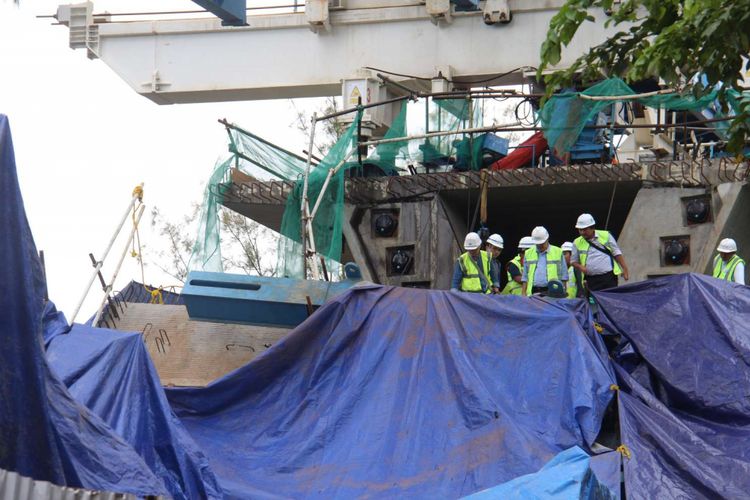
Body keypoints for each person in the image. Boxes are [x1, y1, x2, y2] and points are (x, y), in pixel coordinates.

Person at [571, 213, 629, 292]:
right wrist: (581, 267)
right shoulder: (577, 242)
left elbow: (616, 252)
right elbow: (573, 261)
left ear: (592, 228)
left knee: (610, 300)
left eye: (584, 229)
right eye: (580, 230)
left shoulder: (606, 235)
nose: (582, 232)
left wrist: (625, 269)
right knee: (594, 302)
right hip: (591, 280)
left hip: (608, 278)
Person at [521, 226, 568, 296]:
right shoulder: (528, 253)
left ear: (547, 239)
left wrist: (562, 292)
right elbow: (525, 277)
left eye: (542, 243)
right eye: (538, 244)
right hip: (533, 291)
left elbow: (564, 276)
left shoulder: (558, 252)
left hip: (553, 291)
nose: (540, 245)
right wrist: (523, 293)